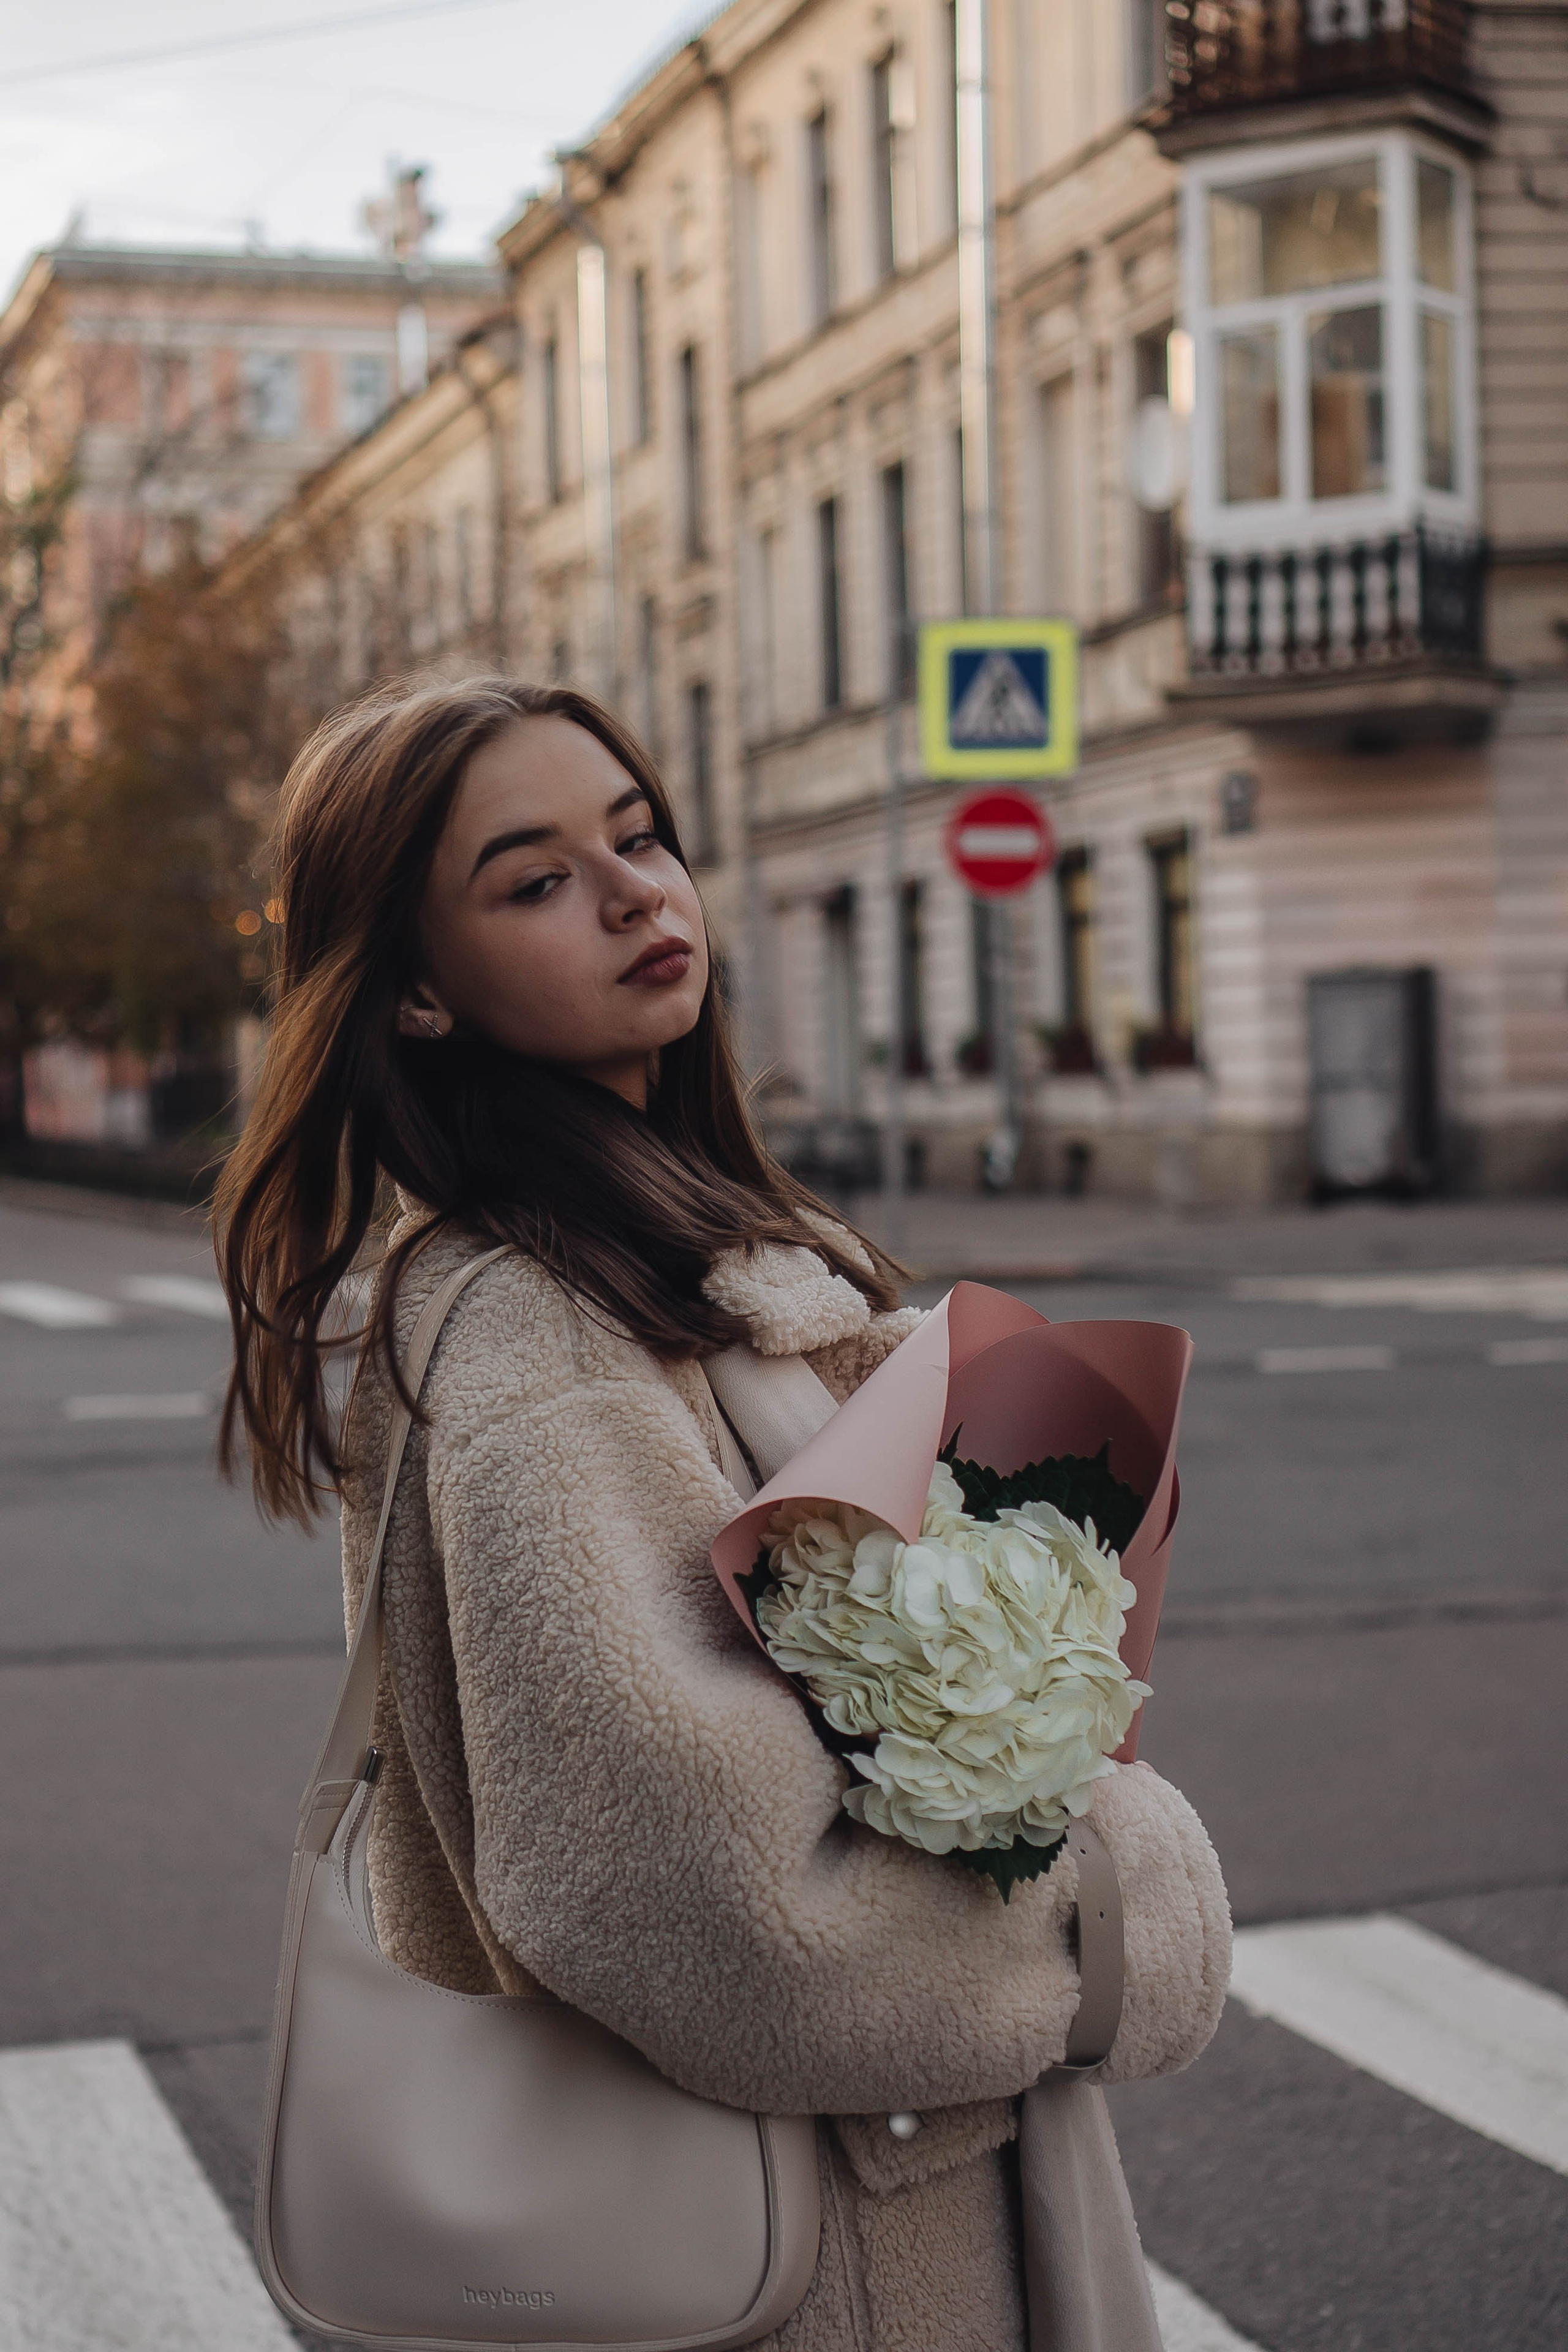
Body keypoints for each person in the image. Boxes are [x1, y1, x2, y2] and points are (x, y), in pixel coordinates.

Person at [217, 677, 1230, 2352]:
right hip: (827, 2260)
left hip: (876, 2196)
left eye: (638, 838)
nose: (633, 894)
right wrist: (1126, 1901)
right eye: (535, 880)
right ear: (412, 996)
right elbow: (720, 1921)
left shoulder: (697, 1258)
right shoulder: (539, 1325)